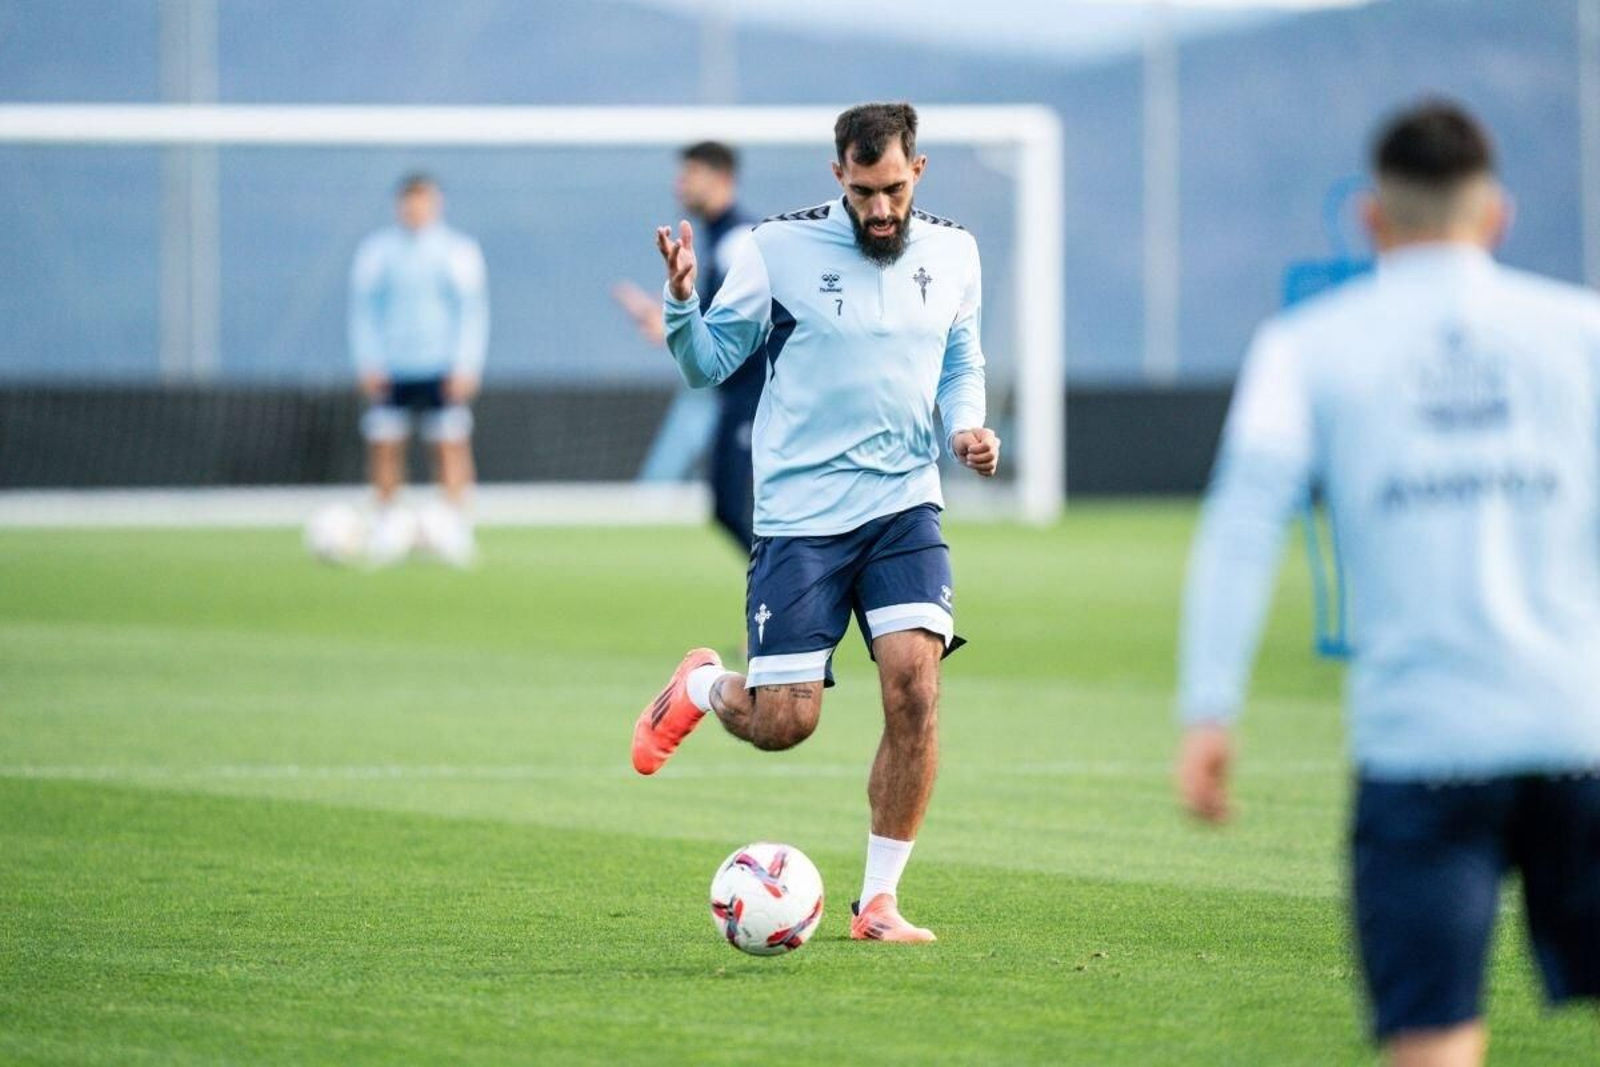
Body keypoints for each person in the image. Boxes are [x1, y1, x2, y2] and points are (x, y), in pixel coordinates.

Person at [1174, 100, 1600, 1066]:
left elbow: (1243, 526)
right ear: (1497, 214)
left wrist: (1209, 710)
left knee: (1434, 1035)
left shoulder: (1308, 344)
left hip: (1423, 751)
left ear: (1372, 219)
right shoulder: (1583, 331)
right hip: (1584, 731)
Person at [631, 102, 1001, 942]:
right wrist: (684, 301)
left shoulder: (955, 253)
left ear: (920, 172)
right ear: (838, 176)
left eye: (895, 189)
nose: (880, 209)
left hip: (905, 503)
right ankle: (699, 685)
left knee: (915, 686)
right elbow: (707, 365)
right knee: (784, 722)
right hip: (800, 515)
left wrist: (964, 428)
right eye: (865, 191)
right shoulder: (777, 249)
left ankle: (879, 902)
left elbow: (961, 358)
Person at [614, 141, 762, 551]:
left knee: (737, 509)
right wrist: (674, 321)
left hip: (758, 396)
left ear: (722, 178)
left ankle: (797, 591)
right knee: (730, 509)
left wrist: (677, 326)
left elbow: (754, 320)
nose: (680, 185)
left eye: (690, 175)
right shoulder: (717, 240)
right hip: (734, 396)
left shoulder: (738, 240)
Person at [348, 172, 488, 566]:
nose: (415, 209)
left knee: (449, 445)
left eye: (423, 201)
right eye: (409, 202)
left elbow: (471, 311)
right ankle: (385, 527)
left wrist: (465, 363)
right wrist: (368, 360)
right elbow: (364, 311)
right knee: (385, 445)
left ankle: (456, 528)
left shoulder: (458, 250)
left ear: (436, 204)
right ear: (399, 206)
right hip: (392, 367)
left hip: (440, 365)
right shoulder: (376, 251)